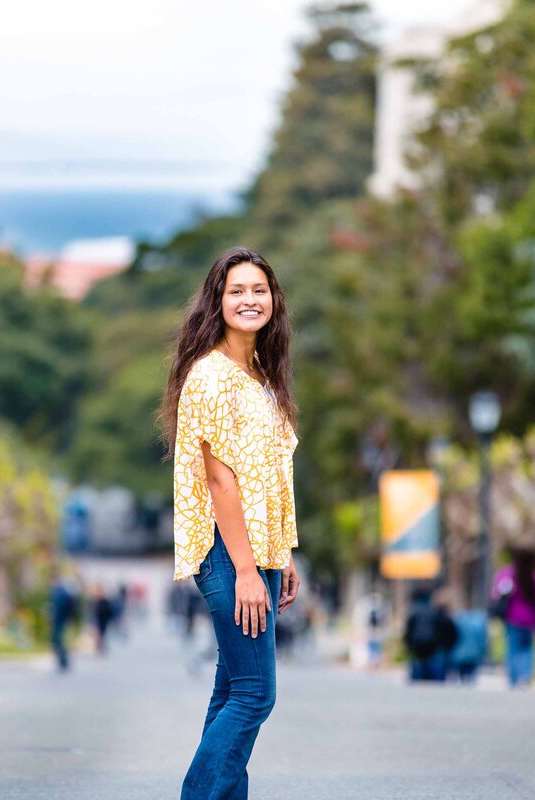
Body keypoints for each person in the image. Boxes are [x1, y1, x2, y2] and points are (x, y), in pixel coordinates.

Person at [161, 246, 301, 800]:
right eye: (236, 290)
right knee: (254, 694)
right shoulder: (210, 376)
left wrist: (282, 553)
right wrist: (245, 569)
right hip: (227, 552)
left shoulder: (262, 375)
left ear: (274, 300)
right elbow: (221, 482)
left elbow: (269, 476)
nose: (249, 299)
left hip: (260, 553)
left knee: (231, 689)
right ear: (217, 302)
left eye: (258, 290)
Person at [490, 548, 535, 689]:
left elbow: (496, 594)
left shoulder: (508, 574)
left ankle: (514, 677)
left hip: (513, 618)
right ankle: (525, 675)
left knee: (513, 648)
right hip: (531, 619)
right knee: (528, 648)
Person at [403, 587, 458, 682]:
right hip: (434, 645)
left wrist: (408, 645)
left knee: (419, 668)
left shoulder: (414, 612)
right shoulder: (436, 612)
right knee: (435, 671)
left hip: (417, 645)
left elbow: (408, 631)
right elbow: (450, 631)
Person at [50, 569, 78, 673]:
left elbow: (64, 606)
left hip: (61, 620)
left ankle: (63, 661)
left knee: (59, 641)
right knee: (57, 641)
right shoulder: (58, 590)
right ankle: (63, 662)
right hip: (59, 620)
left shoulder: (61, 591)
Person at [451, 606, 488, 684]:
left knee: (462, 675)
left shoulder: (458, 620)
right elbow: (482, 640)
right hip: (474, 653)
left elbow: (453, 637)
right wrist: (482, 652)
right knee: (471, 676)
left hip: (459, 654)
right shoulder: (478, 622)